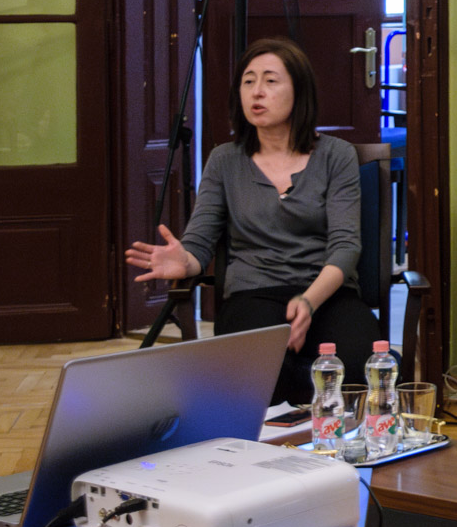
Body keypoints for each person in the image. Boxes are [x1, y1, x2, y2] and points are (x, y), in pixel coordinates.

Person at [126, 37, 381, 404]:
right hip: (253, 294)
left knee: (363, 365)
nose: (256, 92)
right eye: (248, 81)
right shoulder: (224, 160)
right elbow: (199, 241)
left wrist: (308, 301)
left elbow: (345, 246)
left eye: (270, 81)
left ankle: (312, 413)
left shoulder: (336, 155)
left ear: (299, 91)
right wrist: (186, 261)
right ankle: (297, 409)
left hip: (326, 292)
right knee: (256, 373)